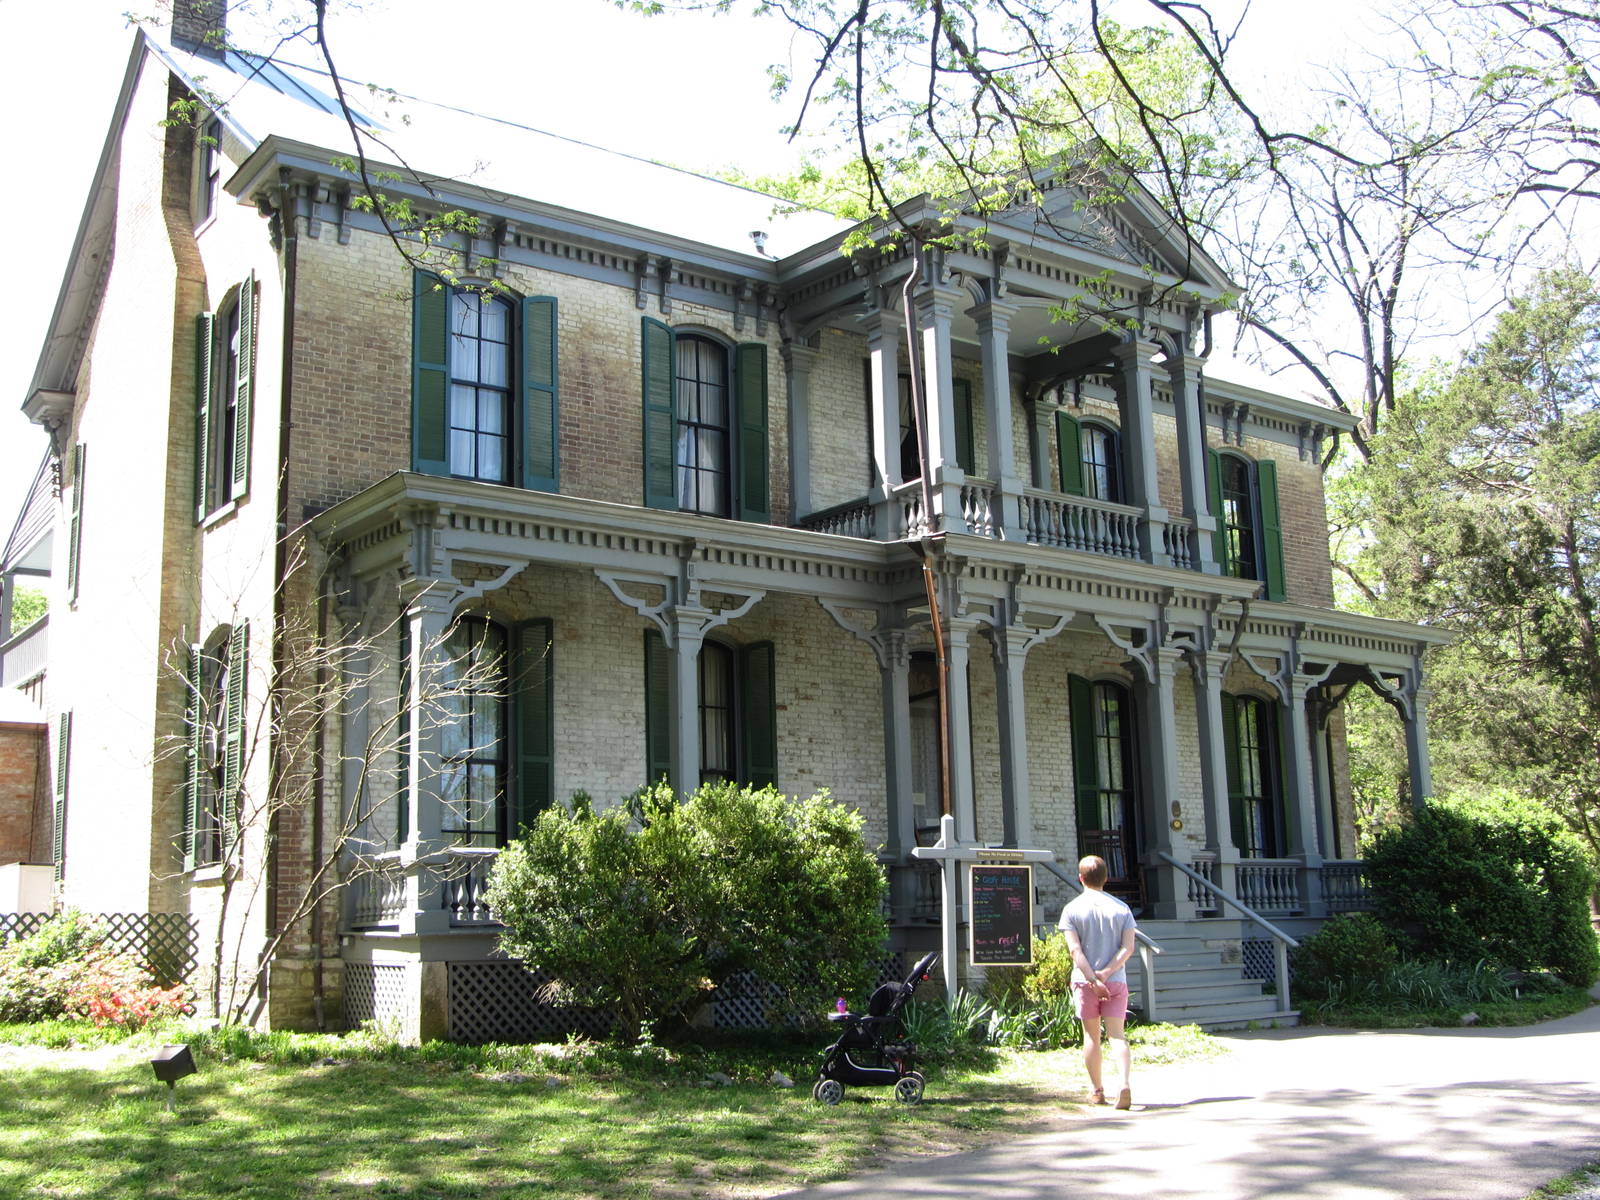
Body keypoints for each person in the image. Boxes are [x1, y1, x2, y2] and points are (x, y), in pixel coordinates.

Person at [1058, 854, 1138, 1110]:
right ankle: (1123, 1083)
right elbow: (1128, 948)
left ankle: (1097, 1091)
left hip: (1085, 982)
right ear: (1106, 878)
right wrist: (1106, 973)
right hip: (1115, 981)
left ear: (1080, 878)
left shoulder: (1072, 909)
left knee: (1091, 1036)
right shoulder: (1121, 908)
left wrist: (1093, 978)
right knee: (1117, 1036)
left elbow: (1075, 950)